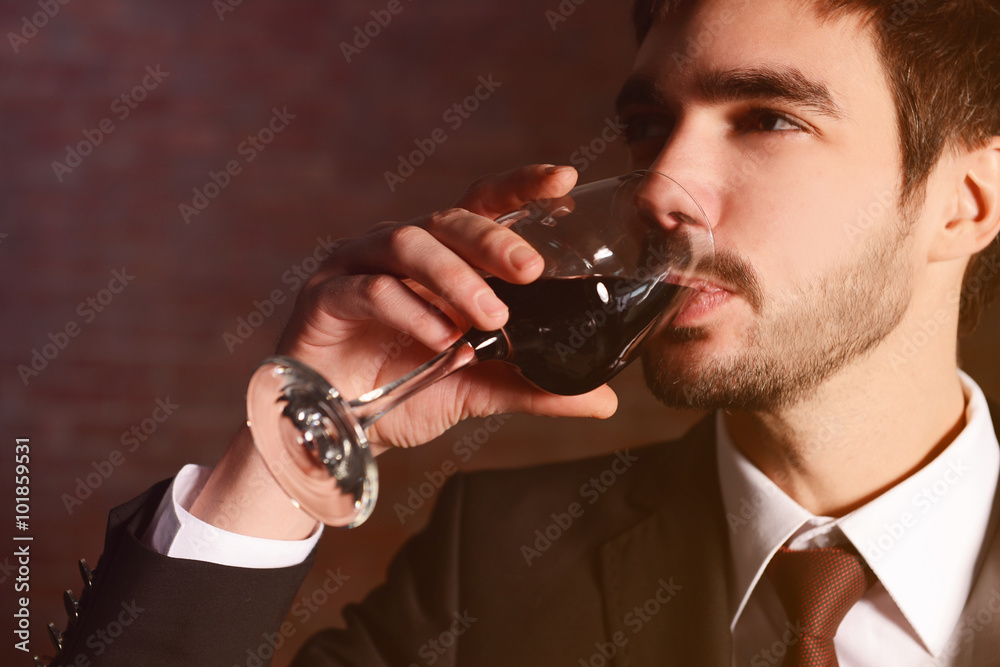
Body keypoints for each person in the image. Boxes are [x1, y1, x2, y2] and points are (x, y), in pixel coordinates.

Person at [46, 0, 1000, 665]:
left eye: (767, 118)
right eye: (646, 125)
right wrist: (295, 442)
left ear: (967, 202)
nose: (667, 184)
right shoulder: (498, 557)